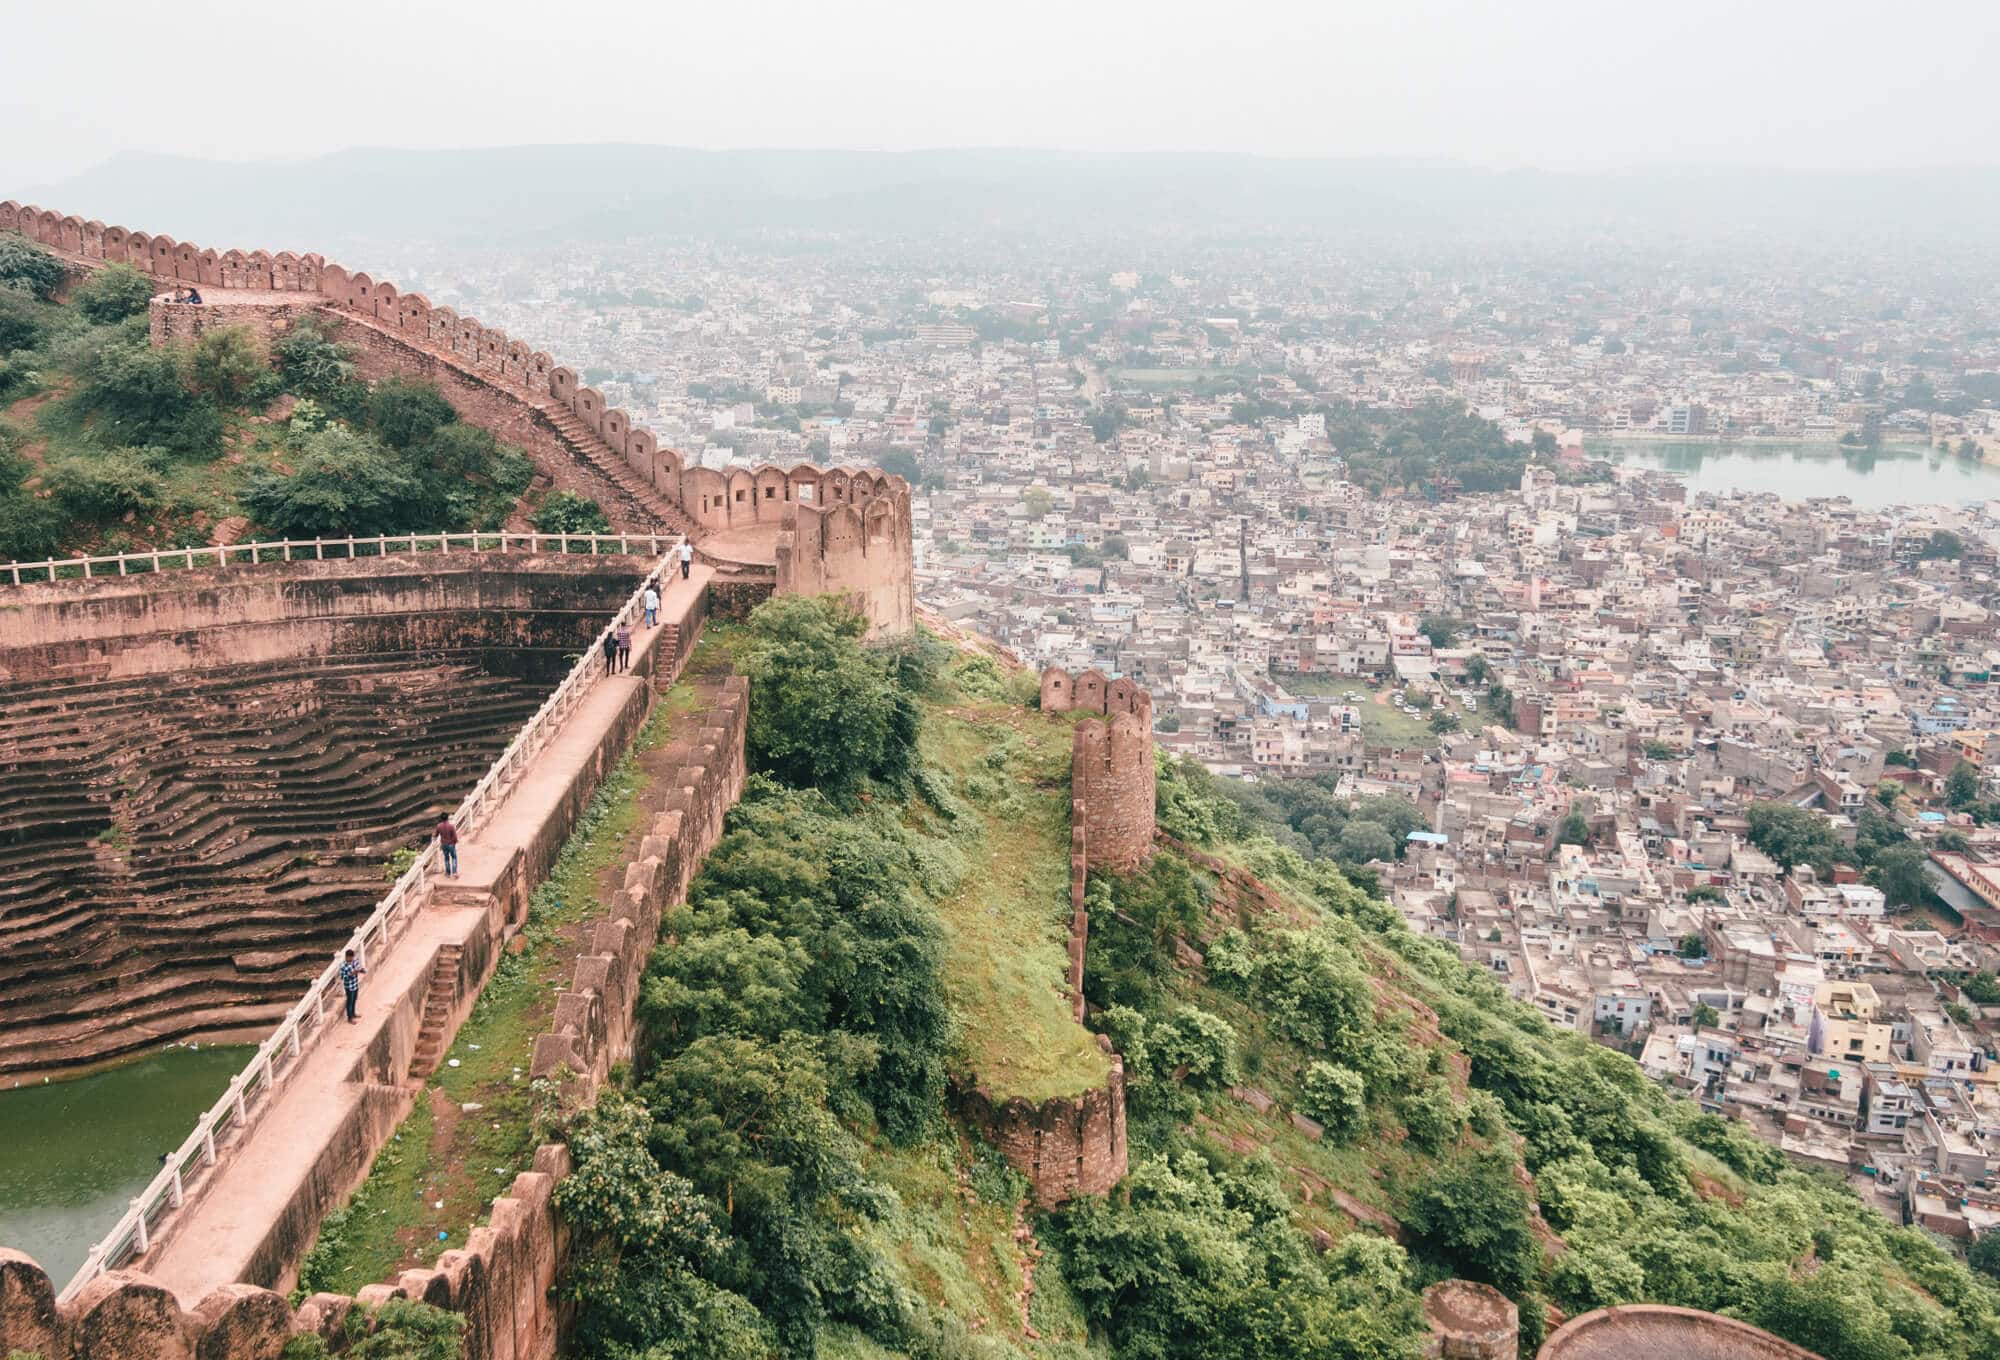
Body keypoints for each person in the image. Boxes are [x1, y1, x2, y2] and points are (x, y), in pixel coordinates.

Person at [340, 949, 365, 1023]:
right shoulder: (343, 966)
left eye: (352, 958)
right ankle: (350, 1018)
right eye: (350, 958)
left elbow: (360, 969)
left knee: (354, 1000)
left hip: (355, 985)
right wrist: (351, 974)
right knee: (349, 1002)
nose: (351, 959)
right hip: (349, 987)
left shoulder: (354, 962)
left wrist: (360, 970)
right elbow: (343, 977)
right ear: (346, 957)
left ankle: (353, 1014)